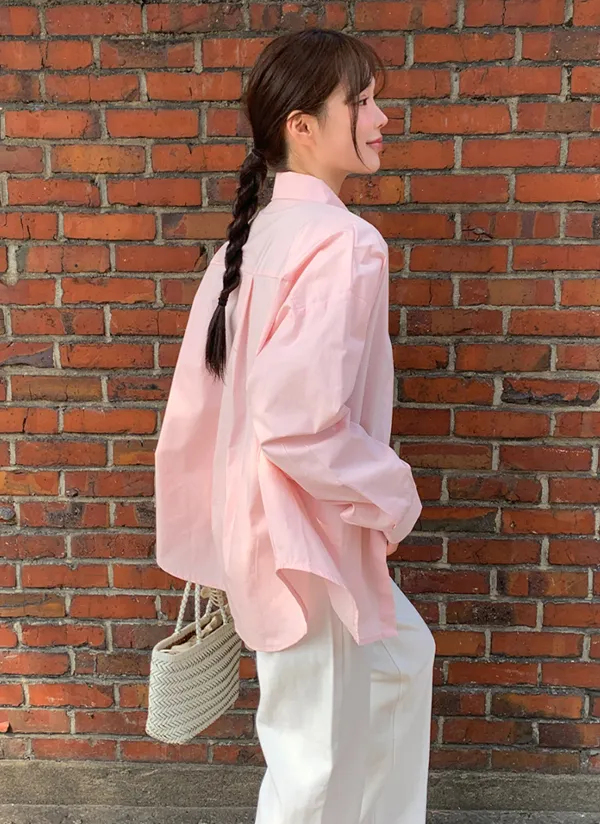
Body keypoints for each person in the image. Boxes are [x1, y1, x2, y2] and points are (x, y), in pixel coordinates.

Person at [154, 27, 436, 824]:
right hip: (307, 540)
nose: (381, 118)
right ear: (303, 126)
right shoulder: (343, 243)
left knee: (401, 664)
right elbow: (297, 424)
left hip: (274, 529)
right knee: (312, 764)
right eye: (363, 102)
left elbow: (197, 413)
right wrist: (393, 494)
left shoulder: (247, 245)